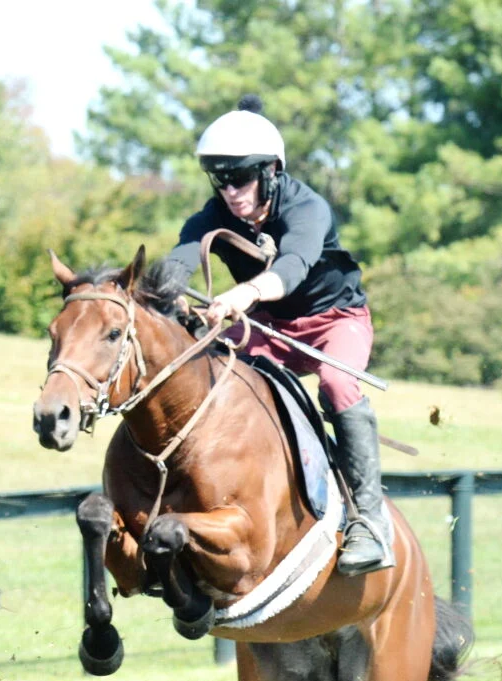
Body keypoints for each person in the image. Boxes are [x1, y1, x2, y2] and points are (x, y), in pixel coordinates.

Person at [163, 95, 393, 576]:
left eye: (242, 177)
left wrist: (242, 295)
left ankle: (370, 523)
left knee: (336, 383)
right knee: (226, 384)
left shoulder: (308, 207)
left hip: (336, 320)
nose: (231, 190)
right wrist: (170, 295)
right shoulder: (213, 215)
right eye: (222, 179)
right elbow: (177, 263)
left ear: (271, 170)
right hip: (268, 328)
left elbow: (291, 268)